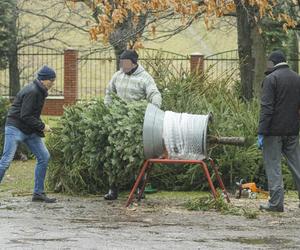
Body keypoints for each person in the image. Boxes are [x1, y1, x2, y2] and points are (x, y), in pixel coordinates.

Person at [104, 49, 162, 200]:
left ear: (133, 62)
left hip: (136, 124)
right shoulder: (117, 76)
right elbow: (109, 93)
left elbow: (154, 95)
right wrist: (106, 111)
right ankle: (113, 189)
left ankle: (139, 190)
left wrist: (152, 114)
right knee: (114, 155)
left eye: (125, 62)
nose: (122, 65)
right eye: (121, 62)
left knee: (137, 157)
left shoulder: (145, 78)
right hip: (117, 122)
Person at [0, 65, 57, 203]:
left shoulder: (40, 90)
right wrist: (42, 126)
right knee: (6, 160)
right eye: (51, 80)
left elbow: (32, 114)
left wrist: (39, 125)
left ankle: (38, 193)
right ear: (43, 80)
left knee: (44, 156)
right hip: (15, 128)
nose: (53, 83)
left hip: (29, 129)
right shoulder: (33, 91)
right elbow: (25, 115)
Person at [258, 50, 300, 212]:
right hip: (292, 130)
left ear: (273, 63)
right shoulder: (297, 78)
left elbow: (267, 108)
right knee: (297, 165)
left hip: (273, 132)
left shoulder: (271, 79)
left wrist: (261, 132)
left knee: (273, 166)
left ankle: (276, 203)